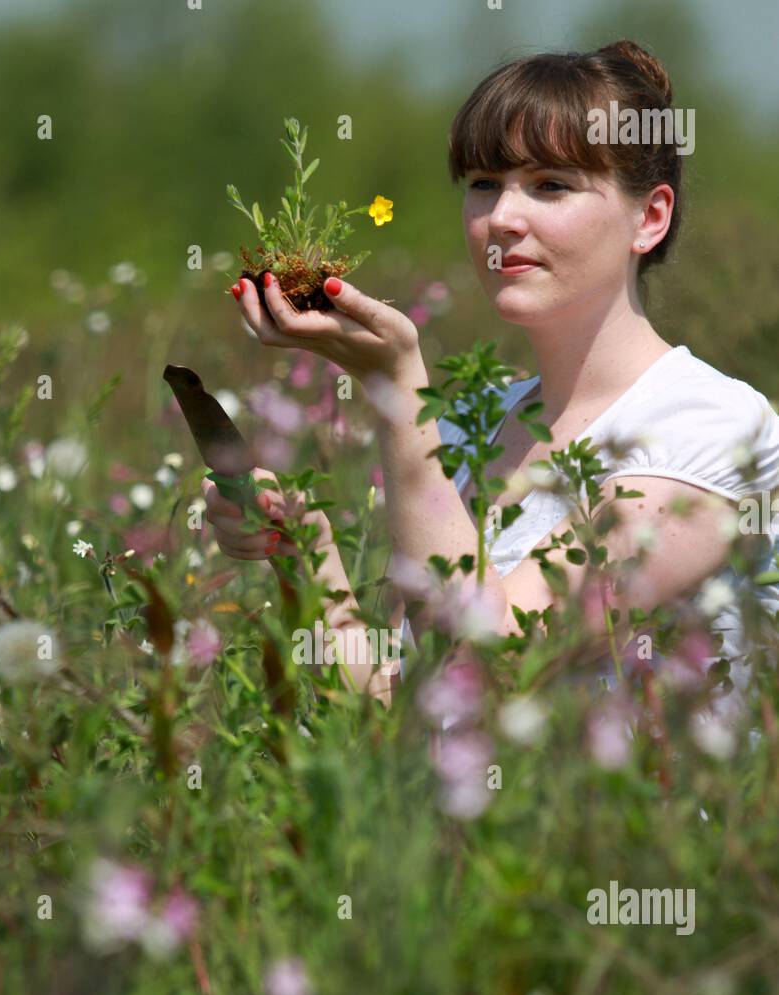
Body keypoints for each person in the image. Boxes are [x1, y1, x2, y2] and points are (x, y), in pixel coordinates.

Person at [204, 38, 779, 711]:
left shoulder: (714, 430)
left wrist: (396, 391)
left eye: (551, 185)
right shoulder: (473, 424)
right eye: (484, 184)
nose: (501, 219)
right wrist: (304, 553)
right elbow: (398, 701)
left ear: (649, 218)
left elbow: (495, 662)